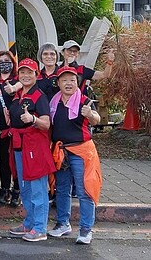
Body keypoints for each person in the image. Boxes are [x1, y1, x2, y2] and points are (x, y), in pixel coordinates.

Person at [48, 66, 102, 245]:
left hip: (81, 151)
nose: (69, 83)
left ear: (77, 82)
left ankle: (86, 229)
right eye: (64, 80)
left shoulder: (84, 101)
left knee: (84, 189)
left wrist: (91, 115)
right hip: (61, 152)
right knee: (61, 189)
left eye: (72, 80)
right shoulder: (53, 102)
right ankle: (63, 223)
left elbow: (96, 119)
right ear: (58, 83)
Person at [8, 59, 55, 242]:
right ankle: (29, 222)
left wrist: (33, 119)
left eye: (30, 73)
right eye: (22, 73)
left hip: (34, 145)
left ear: (36, 75)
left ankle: (40, 228)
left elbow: (46, 123)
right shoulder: (18, 94)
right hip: (20, 145)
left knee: (37, 188)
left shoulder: (39, 97)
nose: (26, 76)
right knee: (25, 187)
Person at [0, 50, 21, 206]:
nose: (4, 63)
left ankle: (18, 189)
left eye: (7, 60)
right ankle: (5, 188)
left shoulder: (18, 80)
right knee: (5, 160)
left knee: (18, 160)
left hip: (18, 129)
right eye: (0, 61)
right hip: (0, 129)